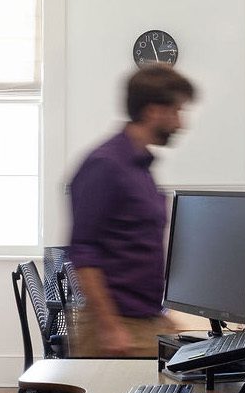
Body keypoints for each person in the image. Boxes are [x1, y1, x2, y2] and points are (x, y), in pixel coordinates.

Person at [65, 64, 196, 357]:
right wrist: (110, 326)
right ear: (153, 111)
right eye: (176, 111)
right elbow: (84, 253)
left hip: (142, 320)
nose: (180, 123)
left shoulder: (140, 168)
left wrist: (158, 316)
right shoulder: (105, 166)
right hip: (114, 329)